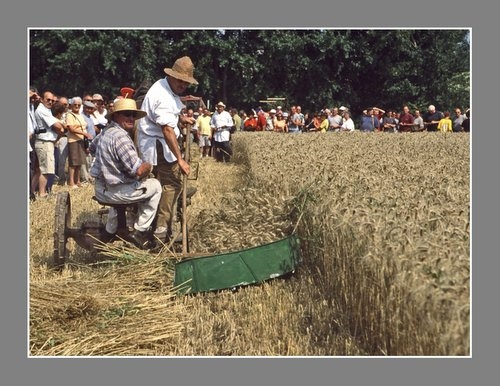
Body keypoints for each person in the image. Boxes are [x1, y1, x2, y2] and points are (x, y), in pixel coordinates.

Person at [136, 56, 198, 242]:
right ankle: (161, 227)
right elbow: (167, 129)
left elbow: (169, 116)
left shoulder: (165, 86)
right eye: (180, 80)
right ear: (172, 76)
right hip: (157, 143)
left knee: (160, 183)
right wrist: (180, 159)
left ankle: (154, 219)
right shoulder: (161, 96)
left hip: (156, 140)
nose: (183, 85)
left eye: (186, 82)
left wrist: (181, 119)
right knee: (171, 183)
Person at [90, 98, 161, 249]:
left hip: (101, 189)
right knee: (155, 186)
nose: (131, 118)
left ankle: (110, 231)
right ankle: (140, 230)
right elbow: (139, 170)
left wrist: (111, 163)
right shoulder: (121, 137)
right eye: (126, 114)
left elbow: (91, 148)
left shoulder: (106, 132)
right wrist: (149, 165)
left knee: (121, 182)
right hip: (117, 192)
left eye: (133, 115)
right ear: (116, 116)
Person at [33, 90, 68, 198]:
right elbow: (57, 126)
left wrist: (62, 126)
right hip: (45, 142)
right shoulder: (42, 110)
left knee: (39, 170)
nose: (50, 102)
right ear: (42, 99)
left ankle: (31, 191)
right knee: (46, 170)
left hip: (45, 142)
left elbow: (60, 125)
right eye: (48, 100)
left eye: (52, 100)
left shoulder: (46, 110)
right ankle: (42, 193)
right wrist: (62, 127)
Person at [66, 97, 93, 188]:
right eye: (75, 104)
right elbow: (71, 128)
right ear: (72, 105)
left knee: (80, 161)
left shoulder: (80, 115)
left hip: (81, 140)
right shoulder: (70, 115)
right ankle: (71, 182)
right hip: (73, 140)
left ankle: (77, 181)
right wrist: (84, 133)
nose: (77, 106)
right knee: (73, 162)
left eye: (79, 105)